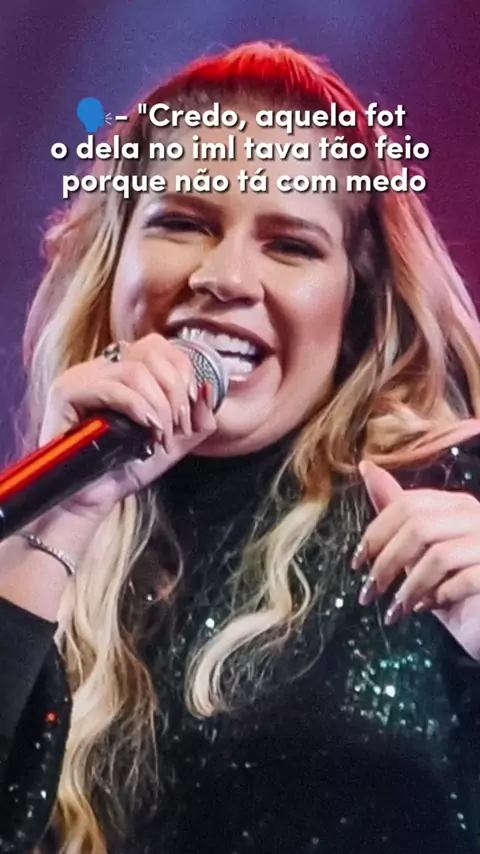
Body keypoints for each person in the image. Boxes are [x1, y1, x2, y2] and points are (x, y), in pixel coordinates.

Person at [1, 40, 480, 854]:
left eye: (290, 244)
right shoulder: (41, 547)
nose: (223, 276)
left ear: (357, 299)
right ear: (115, 260)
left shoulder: (450, 498)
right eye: (182, 223)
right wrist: (62, 519)